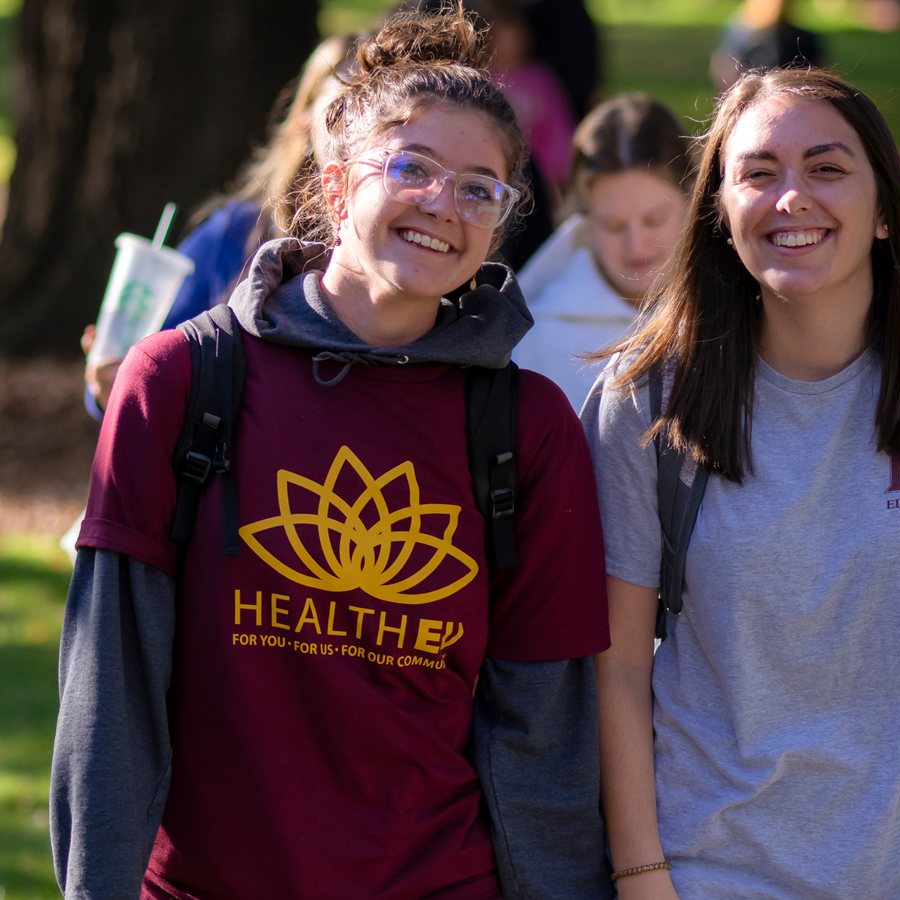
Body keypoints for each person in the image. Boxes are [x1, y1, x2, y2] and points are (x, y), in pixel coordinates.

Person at [50, 8, 612, 900]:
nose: (442, 205)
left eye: (480, 188)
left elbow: (544, 735)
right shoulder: (180, 381)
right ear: (337, 184)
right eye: (412, 168)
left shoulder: (528, 428)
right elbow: (109, 692)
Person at [582, 68, 900, 900]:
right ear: (719, 210)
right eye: (757, 173)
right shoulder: (645, 400)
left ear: (887, 210)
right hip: (707, 873)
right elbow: (617, 668)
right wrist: (643, 880)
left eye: (826, 168)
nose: (791, 199)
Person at [81, 33, 356, 416]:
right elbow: (139, 368)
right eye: (343, 109)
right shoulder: (233, 235)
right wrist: (109, 383)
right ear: (303, 122)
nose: (362, 131)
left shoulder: (408, 258)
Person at [514, 94, 692, 411]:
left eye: (654, 220)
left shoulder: (738, 315)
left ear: (691, 200)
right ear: (584, 215)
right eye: (612, 225)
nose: (635, 245)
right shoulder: (539, 342)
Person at [710, 0, 824, 94]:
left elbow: (820, 75)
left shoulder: (800, 38)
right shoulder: (743, 35)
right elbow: (726, 70)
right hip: (754, 94)